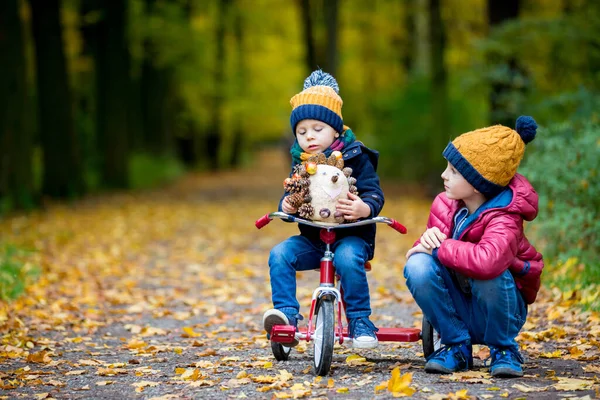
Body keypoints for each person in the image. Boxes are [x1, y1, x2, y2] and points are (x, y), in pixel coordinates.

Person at [403, 116, 544, 377]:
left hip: (501, 308)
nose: (444, 175)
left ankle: (503, 349)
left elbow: (487, 261)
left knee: (489, 272)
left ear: (479, 182)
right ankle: (456, 346)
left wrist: (439, 247)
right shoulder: (446, 204)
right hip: (459, 304)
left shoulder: (506, 216)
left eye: (454, 171)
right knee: (418, 265)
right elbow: (433, 250)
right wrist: (425, 244)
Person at [262, 70, 385, 349]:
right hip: (314, 240)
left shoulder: (356, 156)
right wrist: (287, 204)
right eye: (302, 132)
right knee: (280, 254)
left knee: (348, 257)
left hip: (351, 236)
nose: (309, 137)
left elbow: (374, 192)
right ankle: (287, 317)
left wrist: (364, 207)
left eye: (318, 129)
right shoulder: (302, 163)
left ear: (336, 130)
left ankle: (360, 320)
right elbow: (293, 192)